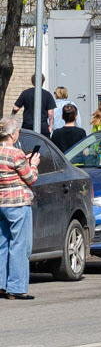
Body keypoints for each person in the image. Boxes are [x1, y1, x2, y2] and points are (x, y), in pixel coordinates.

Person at [0, 116, 40, 299]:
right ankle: (16, 288)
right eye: (18, 132)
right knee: (20, 245)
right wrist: (33, 164)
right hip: (18, 202)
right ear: (12, 135)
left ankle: (1, 285)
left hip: (1, 202)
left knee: (2, 244)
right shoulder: (16, 154)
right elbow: (31, 178)